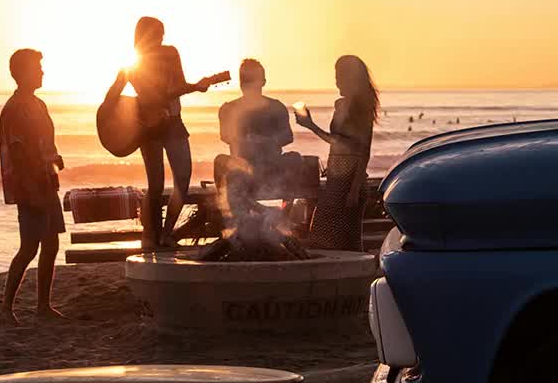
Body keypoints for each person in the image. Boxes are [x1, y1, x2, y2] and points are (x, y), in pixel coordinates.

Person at [118, 16, 227, 250]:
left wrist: (195, 86)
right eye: (157, 34)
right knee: (155, 185)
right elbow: (150, 97)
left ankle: (167, 234)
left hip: (175, 123)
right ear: (144, 36)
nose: (161, 39)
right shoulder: (134, 64)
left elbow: (178, 84)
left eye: (162, 34)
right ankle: (150, 237)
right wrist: (189, 88)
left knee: (182, 180)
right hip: (149, 127)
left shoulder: (170, 53)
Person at [0, 48, 66, 322]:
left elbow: (43, 142)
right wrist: (31, 190)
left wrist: (55, 158)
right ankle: (6, 308)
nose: (42, 71)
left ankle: (43, 306)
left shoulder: (38, 104)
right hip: (30, 186)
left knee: (51, 244)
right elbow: (18, 153)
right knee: (29, 247)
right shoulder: (14, 109)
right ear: (23, 72)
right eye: (37, 67)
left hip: (46, 181)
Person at [294, 54, 379, 252]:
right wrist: (311, 126)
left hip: (350, 182)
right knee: (332, 238)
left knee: (337, 239)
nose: (336, 80)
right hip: (336, 178)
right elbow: (337, 142)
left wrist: (354, 189)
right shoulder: (340, 105)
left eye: (339, 75)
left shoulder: (362, 107)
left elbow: (362, 149)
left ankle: (351, 279)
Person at [216, 58, 294, 193]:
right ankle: (237, 206)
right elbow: (225, 136)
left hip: (271, 166)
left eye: (252, 80)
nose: (249, 85)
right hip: (242, 167)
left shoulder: (276, 107)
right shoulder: (228, 108)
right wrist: (243, 140)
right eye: (246, 81)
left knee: (296, 159)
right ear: (240, 84)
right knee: (220, 161)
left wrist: (267, 141)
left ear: (263, 82)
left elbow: (288, 136)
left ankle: (286, 207)